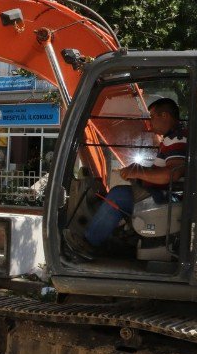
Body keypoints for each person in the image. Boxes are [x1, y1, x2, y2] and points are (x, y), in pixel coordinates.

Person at [68, 97, 187, 257]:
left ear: (164, 115)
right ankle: (109, 236)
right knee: (120, 193)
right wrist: (138, 172)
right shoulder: (171, 138)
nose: (150, 123)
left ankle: (89, 243)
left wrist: (137, 172)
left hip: (166, 197)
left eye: (152, 117)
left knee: (118, 195)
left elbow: (170, 175)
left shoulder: (176, 138)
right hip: (164, 194)